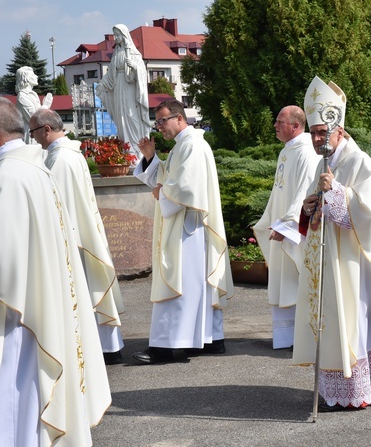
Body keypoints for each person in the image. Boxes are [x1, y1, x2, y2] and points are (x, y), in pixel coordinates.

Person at [292, 77, 371, 411]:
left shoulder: (359, 161)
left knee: (358, 321)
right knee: (336, 321)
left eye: (321, 132)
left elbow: (370, 215)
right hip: (332, 261)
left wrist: (338, 192)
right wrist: (310, 207)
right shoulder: (322, 163)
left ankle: (366, 386)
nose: (316, 139)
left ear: (339, 129)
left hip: (357, 266)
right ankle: (341, 387)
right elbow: (320, 211)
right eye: (313, 133)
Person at [0, 97, 110, 445]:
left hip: (18, 315)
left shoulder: (9, 178)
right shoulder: (39, 170)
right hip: (41, 305)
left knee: (15, 401)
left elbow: (6, 261)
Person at [132, 99, 234, 364]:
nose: (160, 127)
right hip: (186, 226)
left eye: (163, 121)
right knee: (191, 285)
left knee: (175, 281)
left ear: (179, 118)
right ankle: (209, 340)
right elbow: (169, 175)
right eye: (157, 122)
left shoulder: (193, 145)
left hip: (188, 227)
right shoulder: (183, 146)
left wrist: (162, 191)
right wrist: (150, 159)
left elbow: (187, 188)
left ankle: (163, 348)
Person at [29, 108, 126, 363]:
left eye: (34, 132)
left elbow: (53, 206)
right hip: (81, 234)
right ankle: (106, 347)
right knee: (90, 290)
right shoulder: (70, 153)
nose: (34, 138)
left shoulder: (60, 159)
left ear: (46, 129)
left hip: (72, 239)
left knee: (83, 294)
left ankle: (100, 349)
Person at [252, 105, 320, 349]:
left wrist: (289, 224)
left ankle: (304, 338)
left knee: (296, 281)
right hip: (281, 227)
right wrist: (268, 220)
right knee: (284, 281)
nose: (275, 125)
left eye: (280, 121)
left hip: (296, 231)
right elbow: (277, 191)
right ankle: (287, 338)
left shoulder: (307, 152)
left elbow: (305, 190)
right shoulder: (286, 152)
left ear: (296, 126)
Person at [97, 24, 151, 161]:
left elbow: (142, 72)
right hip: (118, 88)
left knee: (131, 116)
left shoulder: (133, 53)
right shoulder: (116, 54)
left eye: (118, 35)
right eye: (114, 35)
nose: (115, 38)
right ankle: (126, 151)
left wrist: (135, 68)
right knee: (121, 118)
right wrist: (102, 84)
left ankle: (137, 150)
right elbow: (110, 75)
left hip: (130, 89)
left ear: (124, 35)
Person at [15, 66, 52, 143]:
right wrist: (45, 106)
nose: (36, 76)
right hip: (30, 134)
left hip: (38, 131)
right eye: (33, 75)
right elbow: (32, 117)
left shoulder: (33, 94)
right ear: (27, 78)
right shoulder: (22, 96)